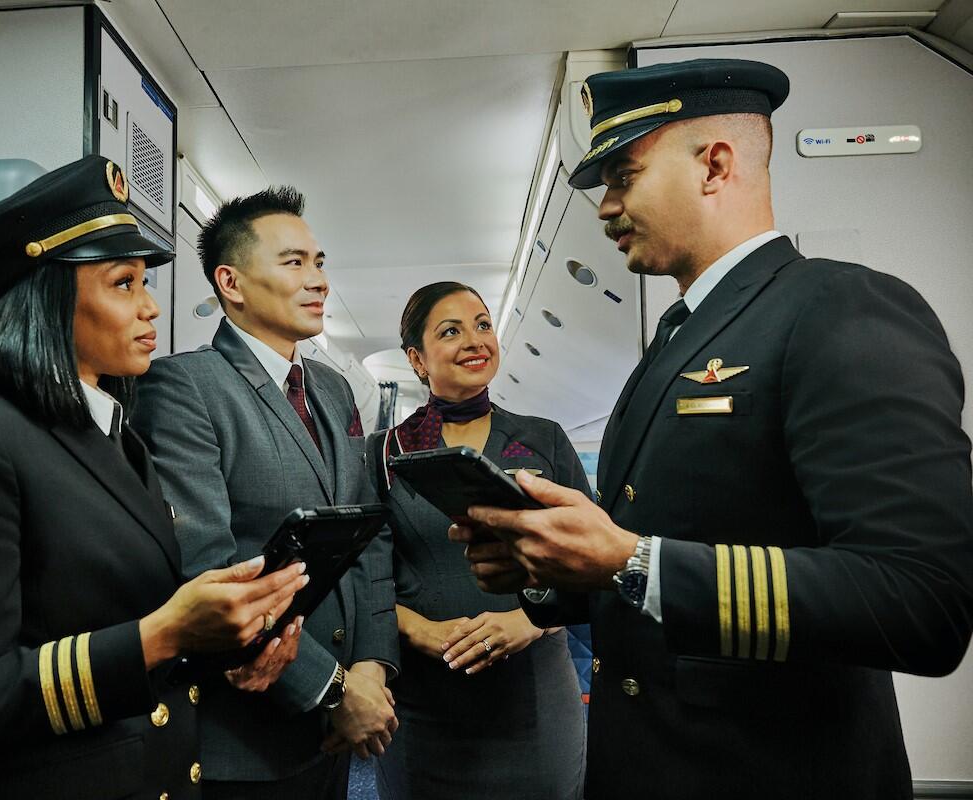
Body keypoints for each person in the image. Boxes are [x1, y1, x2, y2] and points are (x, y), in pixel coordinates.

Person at [452, 58, 973, 798]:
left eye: (622, 176)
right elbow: (664, 549)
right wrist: (547, 568)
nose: (605, 207)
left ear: (715, 165)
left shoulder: (839, 309)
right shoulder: (674, 341)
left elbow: (921, 601)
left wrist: (631, 562)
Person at [0, 155, 309, 800]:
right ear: (50, 296)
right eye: (123, 284)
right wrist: (167, 632)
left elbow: (132, 620)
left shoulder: (118, 442)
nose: (149, 309)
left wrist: (232, 644)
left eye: (144, 283)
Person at [131, 187, 398, 799]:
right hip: (251, 733)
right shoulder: (184, 386)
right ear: (232, 282)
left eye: (320, 262)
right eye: (294, 262)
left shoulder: (329, 389)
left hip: (338, 723)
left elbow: (370, 533)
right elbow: (206, 562)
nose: (319, 281)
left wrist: (371, 669)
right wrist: (329, 689)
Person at [367, 281, 587, 800]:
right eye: (451, 331)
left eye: (483, 325)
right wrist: (422, 632)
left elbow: (590, 558)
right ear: (417, 359)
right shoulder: (382, 454)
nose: (474, 340)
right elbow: (364, 574)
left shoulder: (544, 438)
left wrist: (527, 622)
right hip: (424, 703)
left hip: (533, 693)